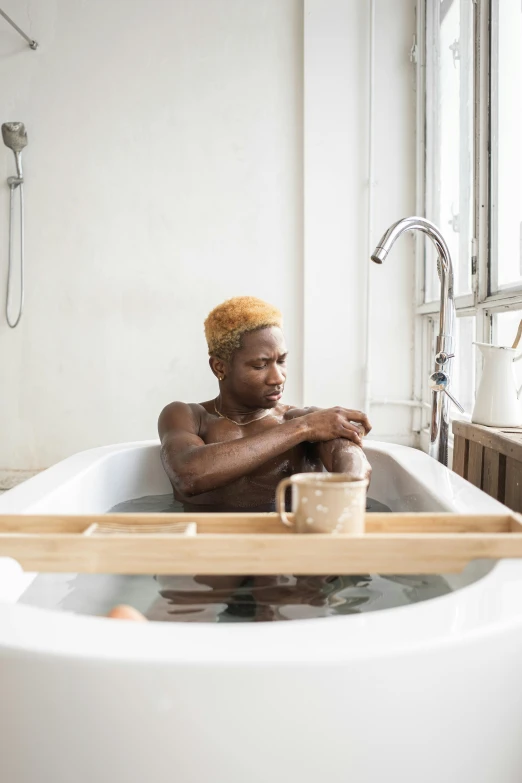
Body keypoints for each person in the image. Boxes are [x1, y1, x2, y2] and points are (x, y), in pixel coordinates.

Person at [109, 296, 372, 622]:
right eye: (261, 365)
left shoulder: (301, 419)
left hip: (286, 550)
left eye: (282, 360)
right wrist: (302, 429)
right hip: (208, 551)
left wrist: (347, 473)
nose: (278, 377)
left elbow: (353, 464)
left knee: (284, 596)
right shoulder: (189, 417)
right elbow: (189, 474)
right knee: (152, 619)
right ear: (220, 366)